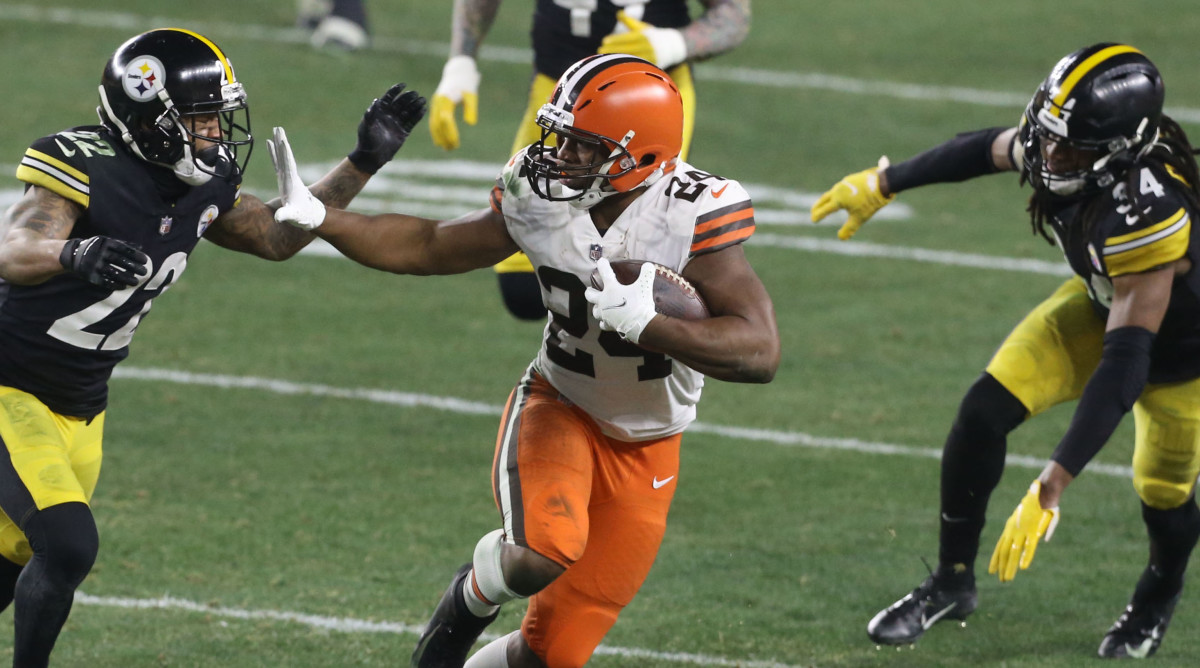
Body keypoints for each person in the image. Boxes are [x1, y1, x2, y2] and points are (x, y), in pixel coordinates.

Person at [270, 53, 779, 668]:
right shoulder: (538, 195)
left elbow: (759, 351)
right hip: (560, 403)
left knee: (552, 656)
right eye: (559, 135)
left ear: (641, 155)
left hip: (652, 442)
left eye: (584, 146)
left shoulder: (689, 214)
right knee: (542, 552)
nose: (559, 155)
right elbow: (431, 245)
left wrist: (653, 325)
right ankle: (471, 596)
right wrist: (326, 219)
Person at [0, 27, 424, 666]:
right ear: (151, 116)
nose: (214, 134)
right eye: (200, 119)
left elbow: (277, 237)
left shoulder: (202, 183)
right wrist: (73, 251)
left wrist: (360, 163)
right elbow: (14, 248)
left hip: (82, 406)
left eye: (216, 119)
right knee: (66, 544)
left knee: (14, 560)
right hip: (12, 386)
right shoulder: (80, 162)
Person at [810, 43, 1200, 659]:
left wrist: (1053, 481)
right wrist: (885, 182)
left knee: (1163, 493)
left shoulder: (1148, 211)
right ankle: (950, 584)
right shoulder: (1065, 143)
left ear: (1119, 150)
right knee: (982, 413)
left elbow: (1127, 363)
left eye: (1068, 147)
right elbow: (986, 148)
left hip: (1182, 361)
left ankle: (1158, 594)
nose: (1049, 155)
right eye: (1048, 135)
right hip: (1103, 307)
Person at [428, 0, 751, 321]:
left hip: (645, 108)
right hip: (559, 95)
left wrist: (673, 43)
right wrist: (461, 63)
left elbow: (733, 13)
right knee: (521, 287)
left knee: (641, 284)